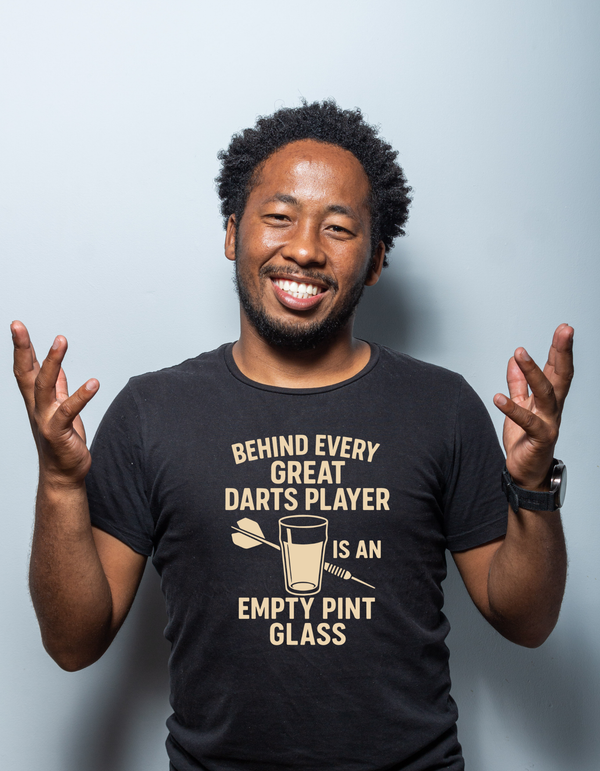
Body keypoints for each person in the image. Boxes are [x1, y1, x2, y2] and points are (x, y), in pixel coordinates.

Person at [12, 100, 573, 771]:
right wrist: (59, 483)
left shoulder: (441, 406)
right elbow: (73, 643)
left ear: (375, 260)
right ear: (231, 232)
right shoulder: (151, 411)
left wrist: (533, 485)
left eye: (338, 227)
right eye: (279, 217)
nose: (304, 248)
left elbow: (527, 620)